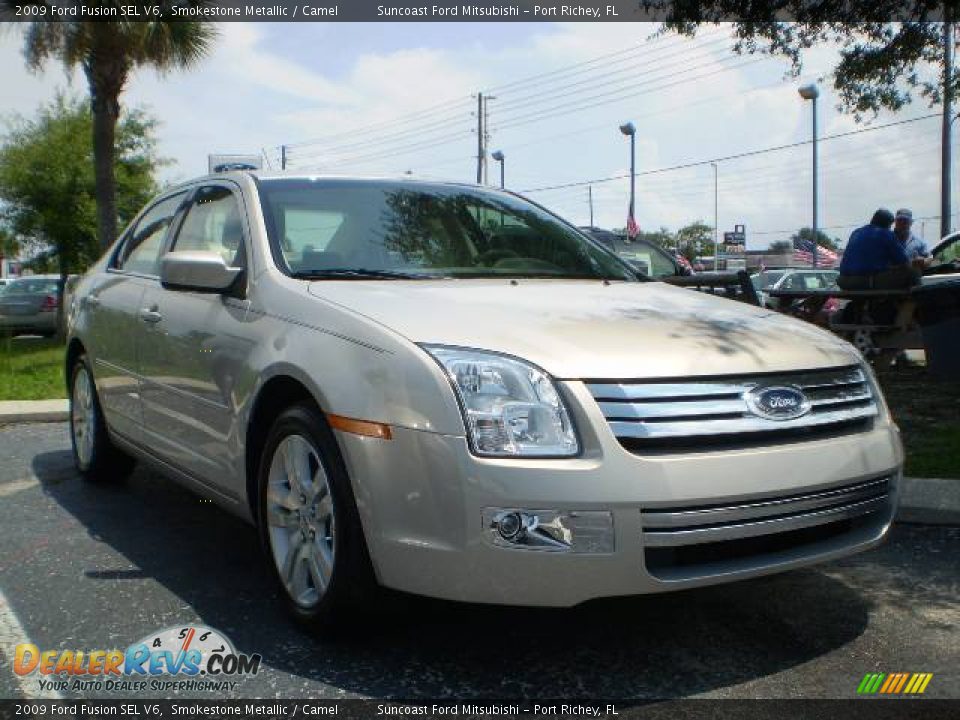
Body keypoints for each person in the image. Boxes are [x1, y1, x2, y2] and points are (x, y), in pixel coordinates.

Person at [838, 208, 919, 290]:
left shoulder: (856, 232)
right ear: (887, 224)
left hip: (843, 281)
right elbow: (904, 262)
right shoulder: (886, 234)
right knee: (913, 272)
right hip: (867, 281)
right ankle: (910, 301)